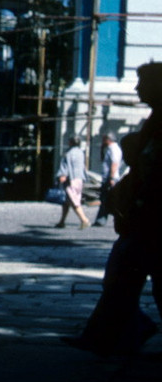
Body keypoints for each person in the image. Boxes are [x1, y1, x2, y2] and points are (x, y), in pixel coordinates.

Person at [69, 63, 162, 355]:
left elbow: (152, 165)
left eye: (142, 82)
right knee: (122, 276)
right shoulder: (155, 118)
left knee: (127, 277)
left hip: (153, 217)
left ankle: (111, 335)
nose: (137, 89)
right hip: (145, 217)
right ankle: (105, 336)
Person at [56, 136, 91, 229]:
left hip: (71, 179)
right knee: (66, 202)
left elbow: (65, 166)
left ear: (70, 142)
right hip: (79, 179)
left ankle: (84, 220)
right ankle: (62, 221)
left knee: (73, 200)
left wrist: (62, 175)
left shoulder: (68, 153)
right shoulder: (81, 153)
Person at [94, 134, 123, 227]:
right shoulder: (109, 149)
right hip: (108, 177)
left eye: (104, 139)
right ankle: (101, 219)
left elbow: (114, 164)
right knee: (105, 199)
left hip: (110, 178)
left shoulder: (114, 149)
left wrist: (111, 178)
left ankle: (104, 219)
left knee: (109, 199)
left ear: (108, 139)